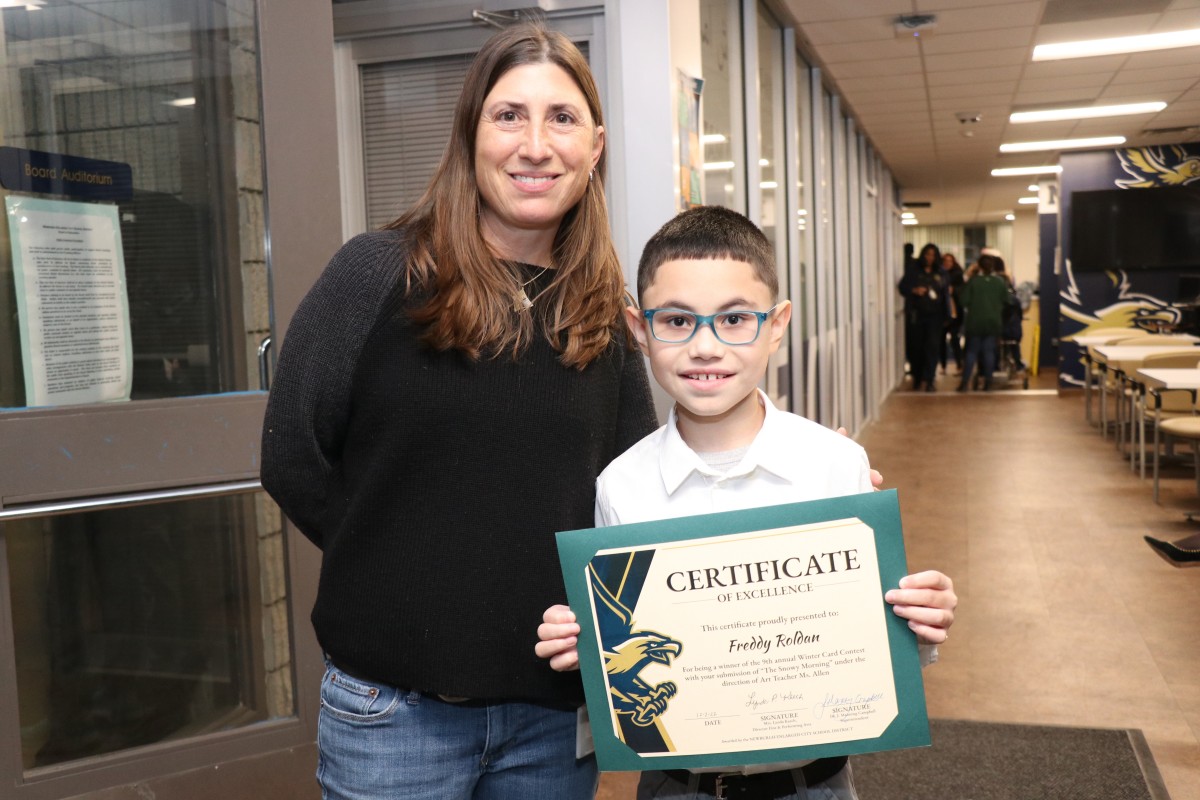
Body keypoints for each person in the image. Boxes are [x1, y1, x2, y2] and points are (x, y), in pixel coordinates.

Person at [260, 22, 659, 800]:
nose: (535, 145)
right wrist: (390, 562)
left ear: (596, 145)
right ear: (470, 133)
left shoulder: (602, 310)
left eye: (562, 119)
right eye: (509, 115)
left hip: (552, 723)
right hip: (395, 718)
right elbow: (291, 456)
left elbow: (636, 490)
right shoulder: (375, 273)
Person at [536, 206, 957, 800]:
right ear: (638, 329)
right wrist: (585, 646)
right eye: (676, 320)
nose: (705, 347)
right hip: (675, 784)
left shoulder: (836, 464)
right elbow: (626, 656)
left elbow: (870, 642)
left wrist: (919, 619)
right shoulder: (621, 485)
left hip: (815, 784)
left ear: (777, 324)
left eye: (735, 318)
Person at [957, 253, 1010, 392]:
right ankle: (988, 383)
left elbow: (963, 301)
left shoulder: (973, 282)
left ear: (979, 266)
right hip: (993, 322)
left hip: (975, 322)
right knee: (989, 353)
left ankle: (964, 383)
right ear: (992, 266)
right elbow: (1007, 300)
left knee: (971, 353)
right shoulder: (1000, 282)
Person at [898, 243, 947, 391]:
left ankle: (930, 379)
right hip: (917, 315)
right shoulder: (913, 271)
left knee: (932, 348)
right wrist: (914, 290)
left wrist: (947, 315)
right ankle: (918, 378)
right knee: (916, 348)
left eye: (933, 255)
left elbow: (945, 294)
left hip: (935, 316)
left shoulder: (941, 273)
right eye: (927, 254)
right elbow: (902, 287)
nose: (930, 258)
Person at [940, 251, 965, 374]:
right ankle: (943, 366)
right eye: (945, 261)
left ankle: (959, 365)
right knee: (941, 340)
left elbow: (962, 294)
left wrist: (953, 290)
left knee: (955, 339)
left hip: (955, 312)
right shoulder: (939, 275)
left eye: (949, 261)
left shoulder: (958, 275)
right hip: (942, 313)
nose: (947, 263)